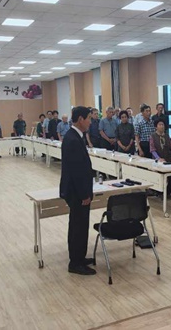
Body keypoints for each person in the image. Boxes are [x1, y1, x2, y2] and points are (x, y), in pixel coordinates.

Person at [59, 106, 95, 276]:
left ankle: (80, 257)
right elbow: (76, 171)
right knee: (78, 227)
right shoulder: (72, 139)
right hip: (77, 193)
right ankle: (75, 262)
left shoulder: (75, 136)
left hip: (78, 191)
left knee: (80, 225)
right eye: (89, 118)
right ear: (80, 119)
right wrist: (84, 195)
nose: (90, 122)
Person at [150, 119, 171, 198]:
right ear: (156, 127)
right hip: (158, 161)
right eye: (160, 125)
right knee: (160, 177)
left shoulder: (167, 136)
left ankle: (167, 193)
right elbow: (152, 149)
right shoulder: (153, 136)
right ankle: (159, 193)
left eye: (163, 125)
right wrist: (158, 158)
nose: (161, 126)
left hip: (168, 159)